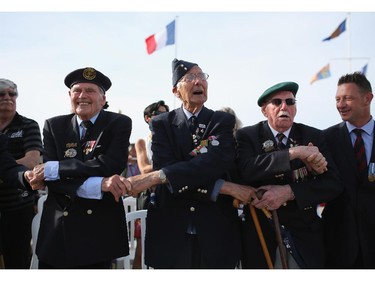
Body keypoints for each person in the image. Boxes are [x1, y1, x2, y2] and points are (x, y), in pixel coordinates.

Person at [126, 58, 256, 269]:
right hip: (171, 230)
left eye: (201, 76)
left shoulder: (221, 121)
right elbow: (169, 168)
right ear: (176, 92)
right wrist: (224, 187)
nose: (198, 82)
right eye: (190, 78)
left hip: (216, 229)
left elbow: (215, 164)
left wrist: (156, 177)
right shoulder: (161, 124)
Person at [28, 67, 132, 269]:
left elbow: (111, 164)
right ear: (70, 96)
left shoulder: (118, 123)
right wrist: (98, 184)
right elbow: (52, 180)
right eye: (77, 91)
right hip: (58, 231)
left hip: (98, 232)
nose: (83, 96)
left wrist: (57, 168)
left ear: (102, 99)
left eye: (90, 90)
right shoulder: (53, 126)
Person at [235, 81, 343, 269]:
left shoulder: (313, 136)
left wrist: (289, 191)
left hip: (304, 237)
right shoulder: (248, 136)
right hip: (262, 237)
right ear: (264, 110)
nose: (284, 107)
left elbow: (333, 183)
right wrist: (293, 154)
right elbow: (246, 169)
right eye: (277, 102)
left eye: (290, 102)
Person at [322, 72, 375, 268]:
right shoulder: (325, 139)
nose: (341, 104)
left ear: (367, 98)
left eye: (348, 98)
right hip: (338, 244)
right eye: (338, 99)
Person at [0, 78, 43, 269]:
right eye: (1, 94)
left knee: (16, 262)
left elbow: (32, 162)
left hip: (18, 205)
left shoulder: (28, 125)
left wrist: (6, 168)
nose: (7, 98)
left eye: (12, 94)